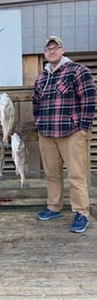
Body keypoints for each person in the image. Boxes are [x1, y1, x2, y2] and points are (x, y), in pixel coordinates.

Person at [32, 36, 96, 233]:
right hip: (47, 133)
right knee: (52, 174)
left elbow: (89, 98)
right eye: (48, 48)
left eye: (55, 47)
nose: (51, 51)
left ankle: (81, 212)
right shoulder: (42, 77)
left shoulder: (78, 71)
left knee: (77, 175)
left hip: (72, 133)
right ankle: (54, 207)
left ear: (62, 50)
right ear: (45, 53)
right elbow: (36, 103)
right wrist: (39, 123)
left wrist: (83, 127)